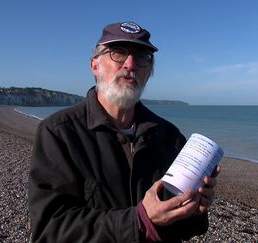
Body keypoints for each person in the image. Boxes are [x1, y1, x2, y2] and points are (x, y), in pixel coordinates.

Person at [28, 21, 220, 242]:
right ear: (94, 65)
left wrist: (196, 209)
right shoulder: (59, 133)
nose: (130, 64)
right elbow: (49, 229)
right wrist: (139, 220)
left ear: (149, 72)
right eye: (118, 52)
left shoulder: (169, 137)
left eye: (141, 57)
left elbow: (185, 229)